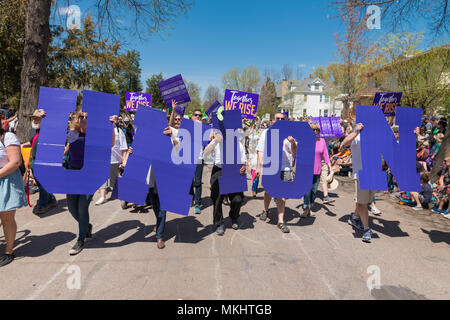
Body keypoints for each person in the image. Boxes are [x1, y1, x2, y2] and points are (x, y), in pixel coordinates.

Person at [255, 112, 297, 234]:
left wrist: (293, 142)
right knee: (268, 191)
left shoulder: (289, 134)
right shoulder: (266, 132)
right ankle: (265, 210)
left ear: (285, 120)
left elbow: (294, 152)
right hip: (270, 166)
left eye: (282, 118)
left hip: (286, 167)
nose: (279, 120)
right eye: (277, 118)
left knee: (283, 194)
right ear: (273, 120)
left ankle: (280, 221)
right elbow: (261, 150)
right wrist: (258, 167)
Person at [204, 127, 247, 235]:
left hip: (234, 171)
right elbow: (205, 152)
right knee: (217, 199)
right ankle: (219, 223)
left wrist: (243, 167)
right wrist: (215, 141)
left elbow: (243, 160)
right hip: (219, 170)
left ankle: (234, 216)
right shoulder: (217, 140)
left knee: (238, 199)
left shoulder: (237, 143)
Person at [64, 112, 94, 255]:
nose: (83, 119)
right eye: (81, 116)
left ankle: (81, 239)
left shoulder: (96, 135)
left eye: (87, 117)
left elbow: (112, 143)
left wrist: (111, 124)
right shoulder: (72, 134)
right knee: (71, 207)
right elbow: (54, 133)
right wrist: (46, 117)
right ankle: (86, 226)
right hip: (73, 174)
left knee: (82, 208)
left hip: (90, 176)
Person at [341, 123, 374, 243]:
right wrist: (356, 131)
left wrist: (412, 135)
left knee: (365, 202)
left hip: (374, 173)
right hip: (361, 174)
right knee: (362, 203)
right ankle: (366, 229)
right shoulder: (356, 136)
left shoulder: (375, 134)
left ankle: (355, 218)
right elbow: (343, 144)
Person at [21, 109, 58, 214]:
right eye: (33, 118)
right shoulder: (33, 129)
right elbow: (33, 141)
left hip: (44, 160)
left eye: (37, 118)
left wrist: (47, 118)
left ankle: (43, 204)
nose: (34, 120)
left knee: (42, 184)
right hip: (34, 160)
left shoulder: (46, 129)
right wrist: (24, 145)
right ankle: (51, 200)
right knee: (41, 183)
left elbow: (55, 127)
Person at [0, 126, 27, 267]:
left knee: (6, 218)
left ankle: (9, 251)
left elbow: (15, 162)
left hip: (5, 181)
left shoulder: (8, 137)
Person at [302, 123, 334, 217]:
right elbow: (300, 154)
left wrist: (330, 167)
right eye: (313, 130)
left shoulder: (322, 141)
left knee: (314, 191)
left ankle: (310, 207)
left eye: (317, 130)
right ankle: (306, 209)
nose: (315, 131)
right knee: (307, 191)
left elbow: (326, 155)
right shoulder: (305, 141)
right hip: (306, 169)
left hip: (317, 169)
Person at [95, 115, 128, 205]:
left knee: (115, 181)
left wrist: (124, 159)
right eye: (112, 119)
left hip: (116, 160)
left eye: (116, 119)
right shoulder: (102, 132)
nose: (114, 120)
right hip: (104, 159)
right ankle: (102, 197)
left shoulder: (119, 131)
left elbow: (124, 147)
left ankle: (123, 197)